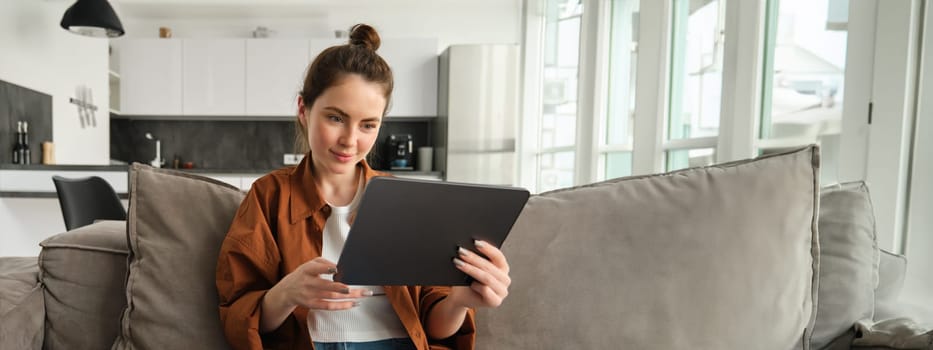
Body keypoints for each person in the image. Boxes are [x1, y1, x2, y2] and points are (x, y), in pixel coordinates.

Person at [215, 24, 512, 350]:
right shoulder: (269, 196)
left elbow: (434, 328)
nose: (350, 141)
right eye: (336, 118)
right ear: (304, 110)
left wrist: (459, 300)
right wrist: (285, 294)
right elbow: (238, 316)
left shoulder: (406, 202)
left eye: (368, 125)